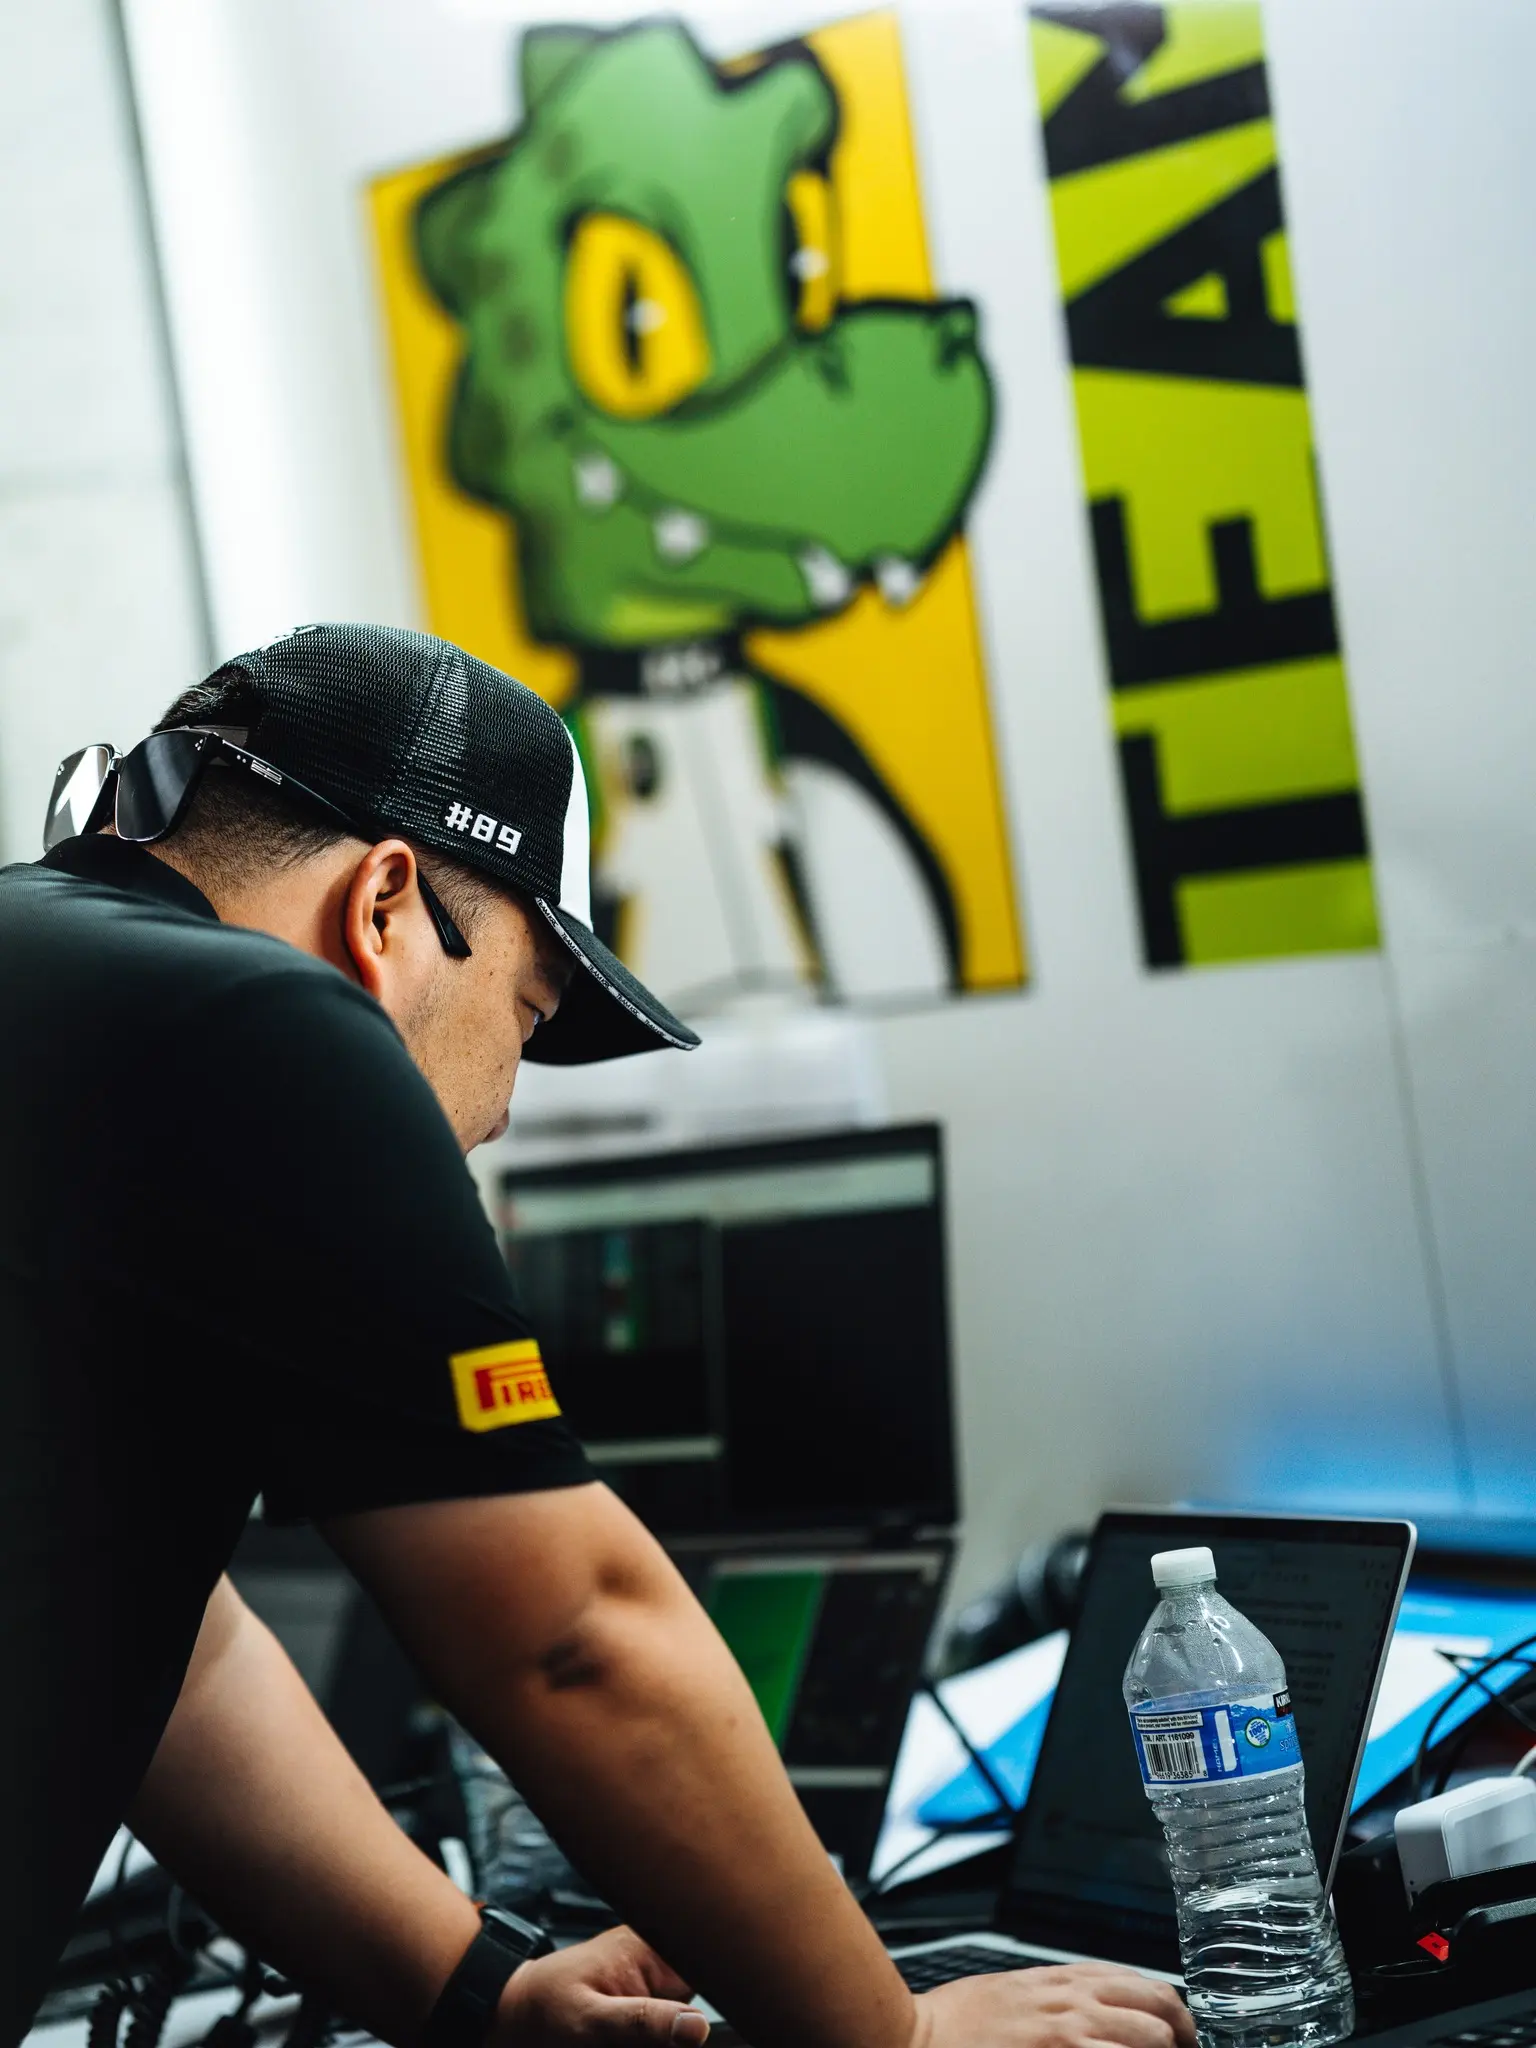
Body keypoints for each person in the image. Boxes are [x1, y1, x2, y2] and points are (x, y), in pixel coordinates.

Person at [0, 625, 1192, 2048]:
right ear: (384, 907)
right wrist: (900, 2037)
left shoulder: (65, 991)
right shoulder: (266, 1026)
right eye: (521, 1013)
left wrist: (478, 1992)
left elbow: (179, 1650)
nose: (501, 1109)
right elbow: (572, 1635)